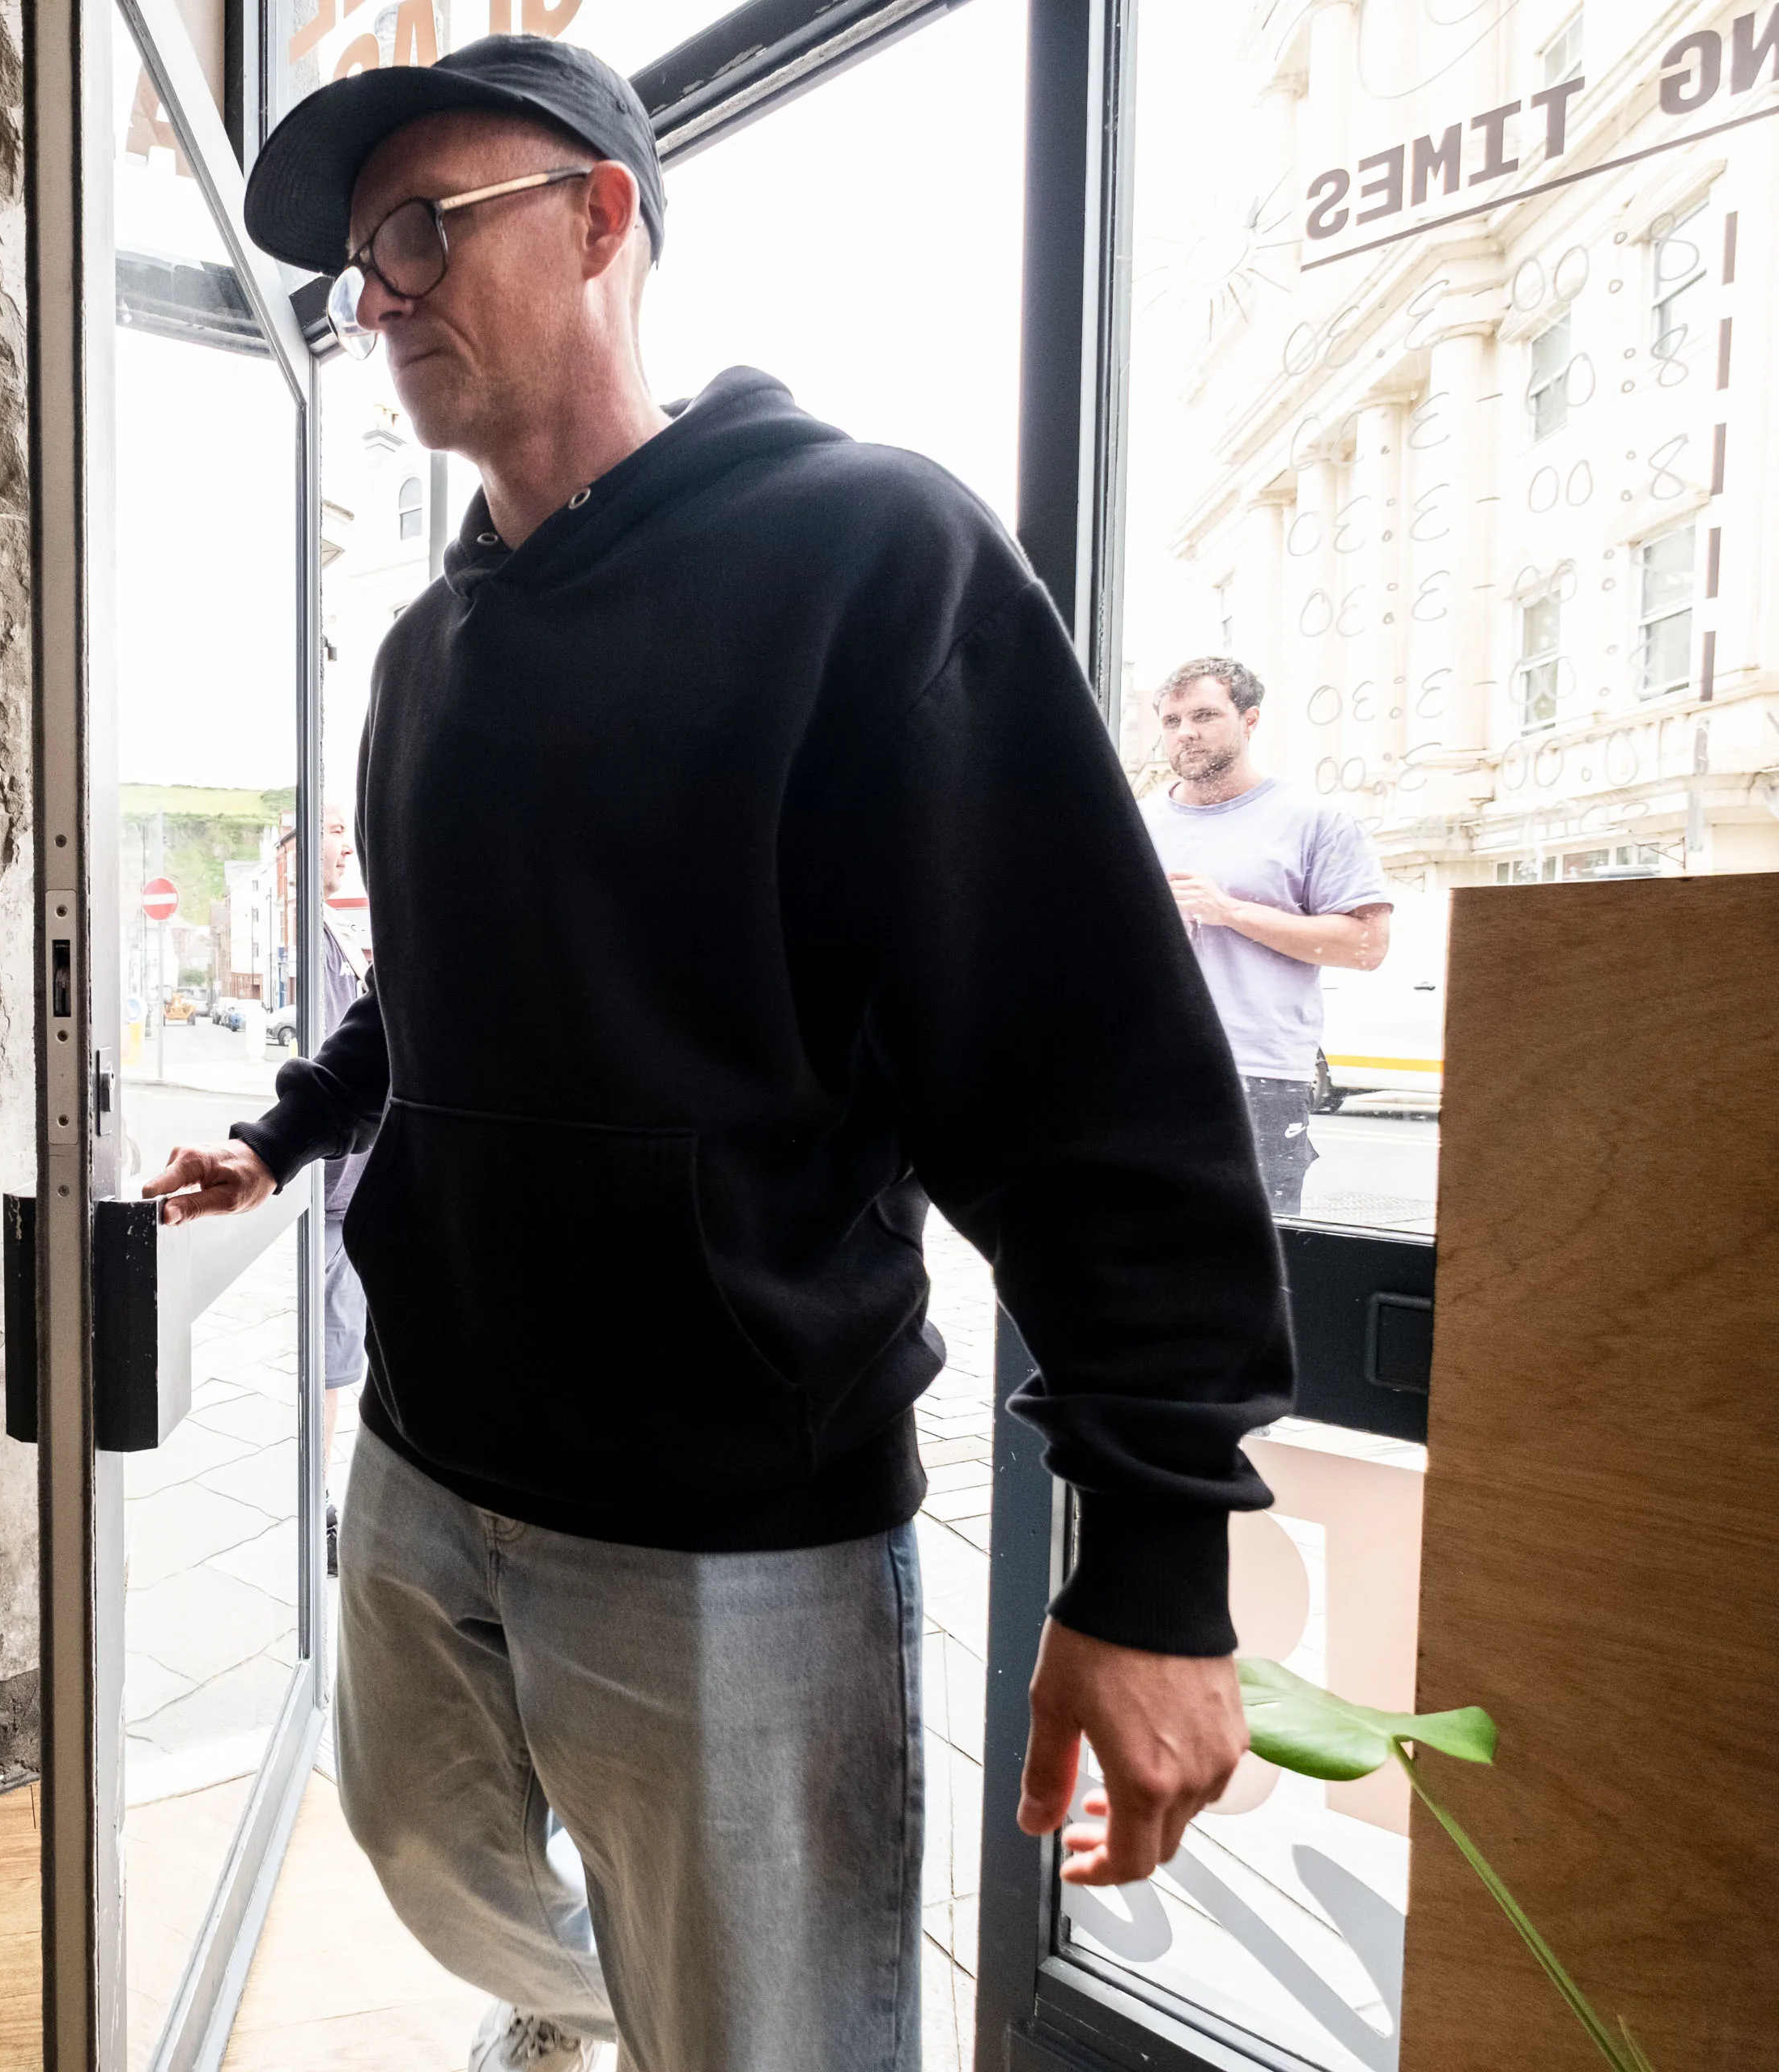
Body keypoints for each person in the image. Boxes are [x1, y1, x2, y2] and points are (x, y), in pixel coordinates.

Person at [150, 38, 1293, 2072]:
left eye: (423, 228)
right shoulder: (426, 651)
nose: (380, 290)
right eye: (357, 263)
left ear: (599, 218)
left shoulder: (863, 555)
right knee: (424, 1851)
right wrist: (290, 1127)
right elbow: (433, 981)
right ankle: (613, 1998)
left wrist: (1153, 1552)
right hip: (426, 1447)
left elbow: (1081, 1070)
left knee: (770, 2036)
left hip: (726, 1514)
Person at [1141, 657, 1395, 1213]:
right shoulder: (1136, 823)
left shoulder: (1314, 819)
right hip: (1142, 1068)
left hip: (1258, 1073)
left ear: (1250, 720)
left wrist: (1229, 911)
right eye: (1172, 720)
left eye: (1205, 715)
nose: (1186, 732)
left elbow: (1366, 946)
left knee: (1248, 1264)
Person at [312, 796, 374, 1571]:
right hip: (317, 1189)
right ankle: (311, 1494)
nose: (345, 845)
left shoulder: (353, 937)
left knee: (336, 1354)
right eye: (328, 830)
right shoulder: (306, 942)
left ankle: (318, 1491)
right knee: (317, 1350)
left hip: (358, 1188)